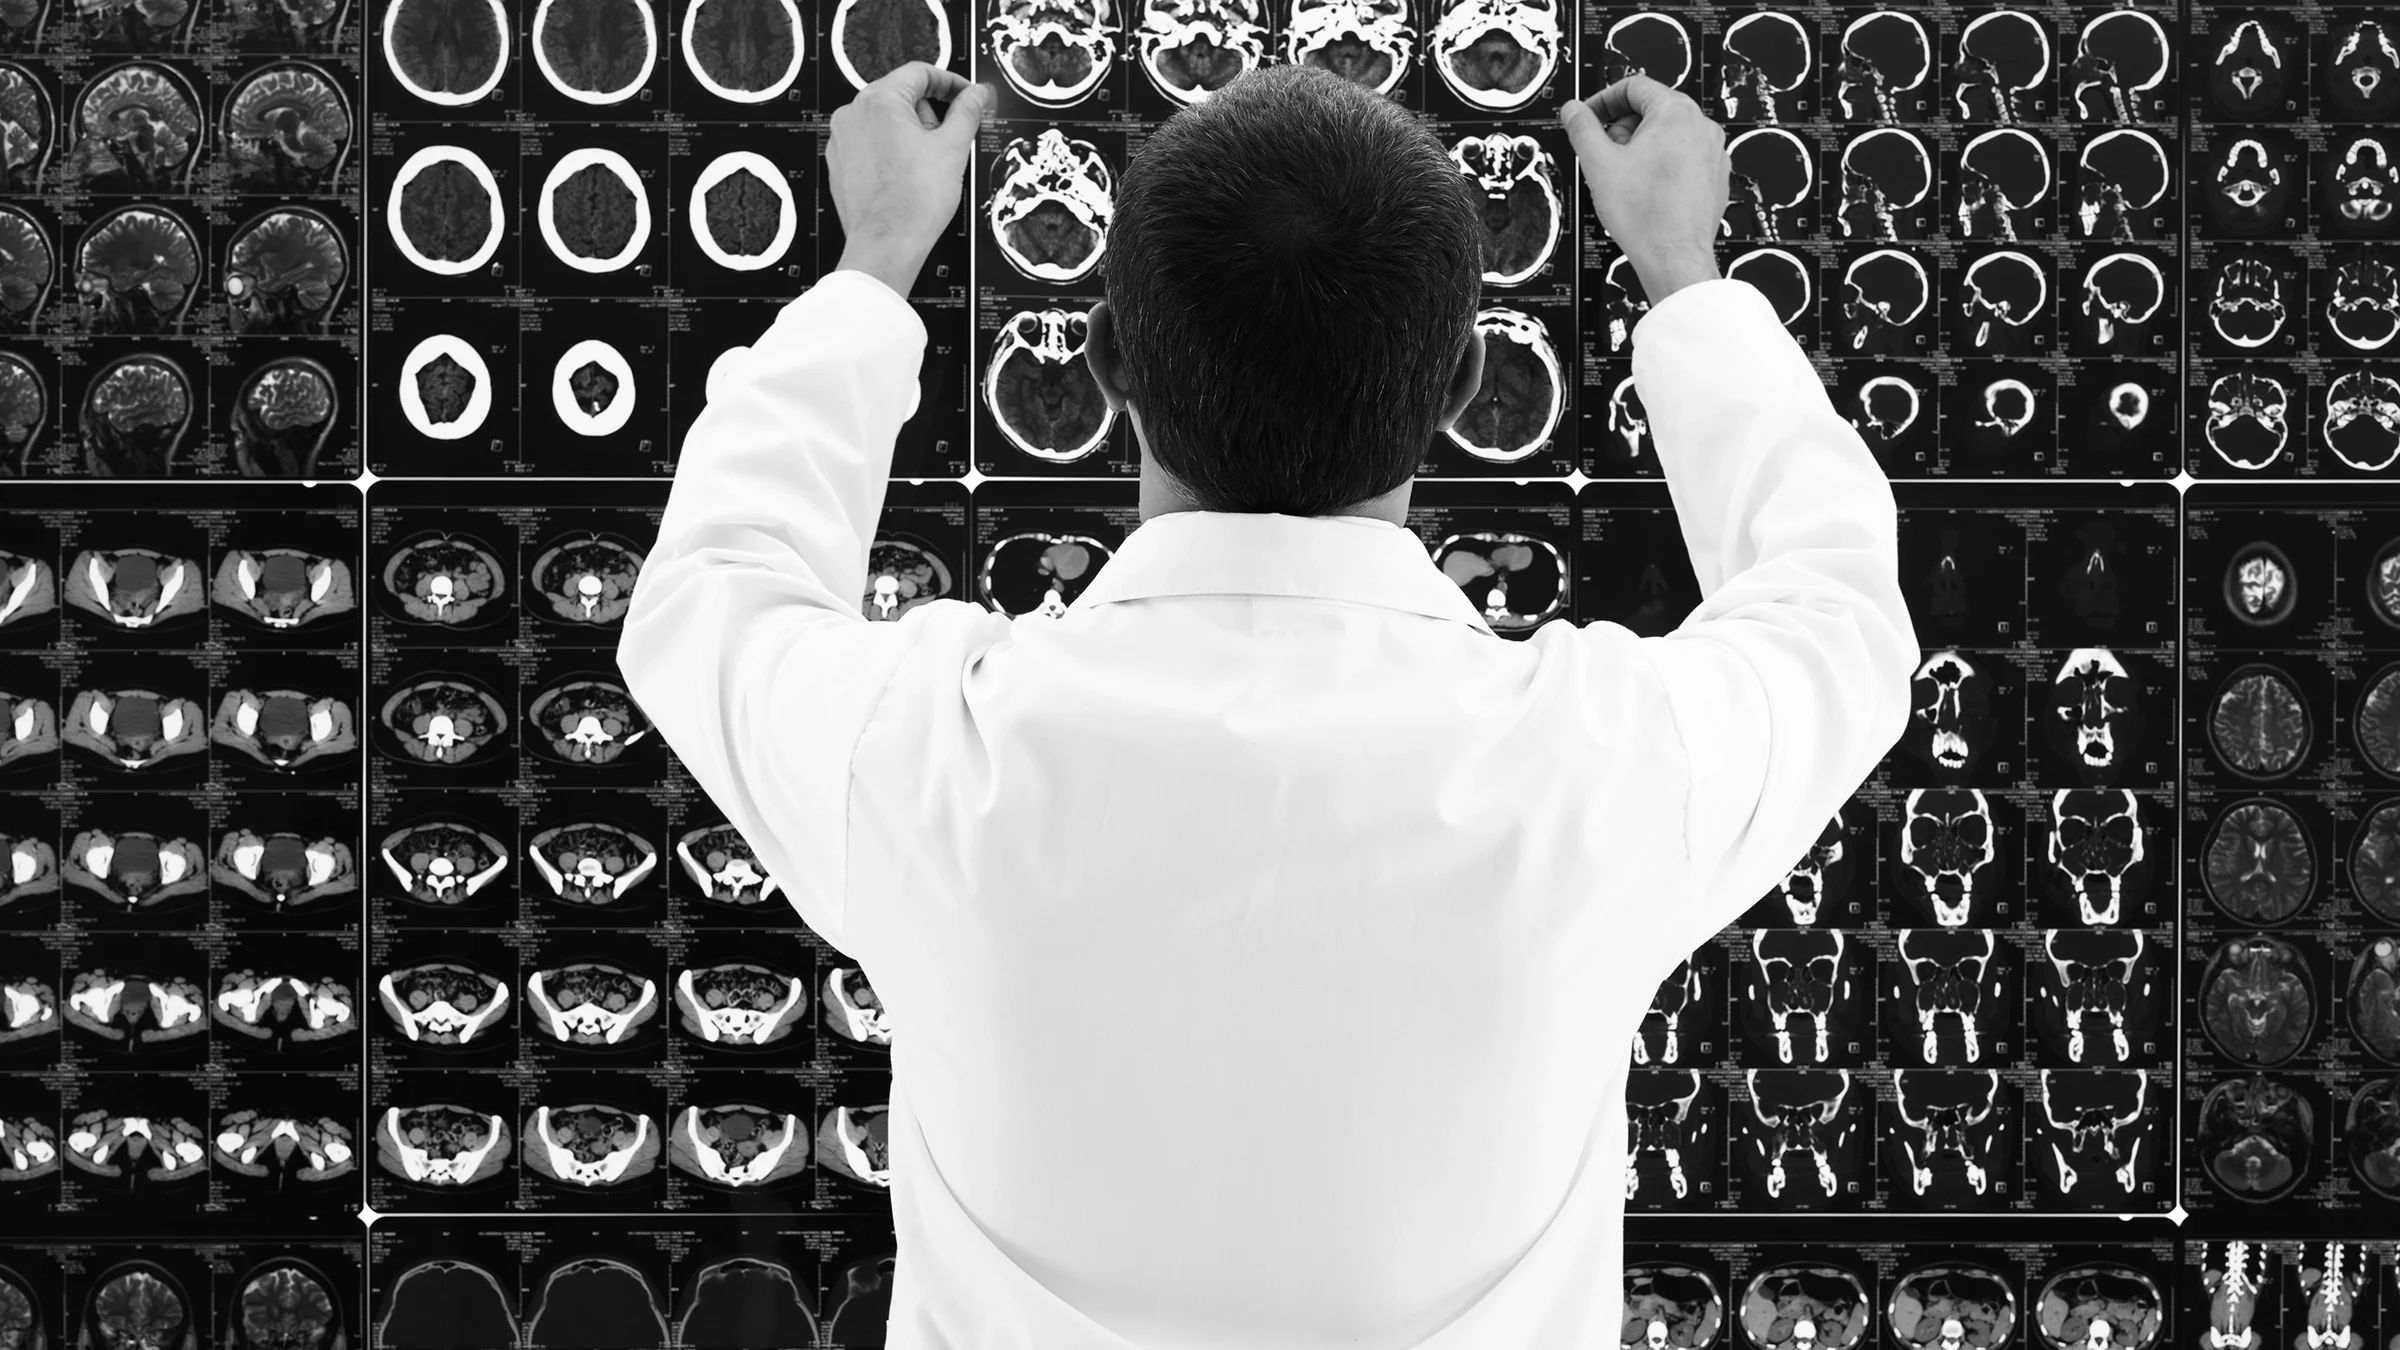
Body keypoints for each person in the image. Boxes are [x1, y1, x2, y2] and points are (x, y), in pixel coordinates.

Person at [618, 59, 1916, 1349]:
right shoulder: (1606, 768)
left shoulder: (922, 754)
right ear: (1462, 387)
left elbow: (715, 586)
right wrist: (1684, 272)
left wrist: (879, 257)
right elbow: (1837, 611)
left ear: (1108, 362)